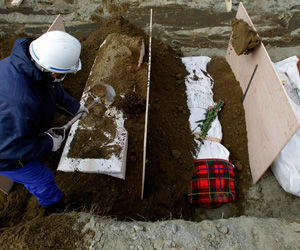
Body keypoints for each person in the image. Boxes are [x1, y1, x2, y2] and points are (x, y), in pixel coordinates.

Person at [0, 30, 88, 212]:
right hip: (5, 153)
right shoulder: (20, 105)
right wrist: (48, 143)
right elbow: (10, 149)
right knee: (42, 178)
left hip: (11, 127)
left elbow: (51, 90)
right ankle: (56, 208)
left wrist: (74, 108)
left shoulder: (27, 65)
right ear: (54, 74)